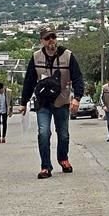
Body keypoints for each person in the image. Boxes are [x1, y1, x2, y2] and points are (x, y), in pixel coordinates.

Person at [20, 26, 85, 179]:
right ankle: (45, 166)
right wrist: (24, 102)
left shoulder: (67, 56)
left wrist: (77, 98)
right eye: (47, 38)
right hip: (43, 103)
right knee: (43, 133)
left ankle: (63, 158)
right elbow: (29, 81)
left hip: (61, 101)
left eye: (53, 37)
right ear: (42, 41)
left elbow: (77, 77)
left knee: (63, 134)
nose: (51, 41)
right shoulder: (36, 57)